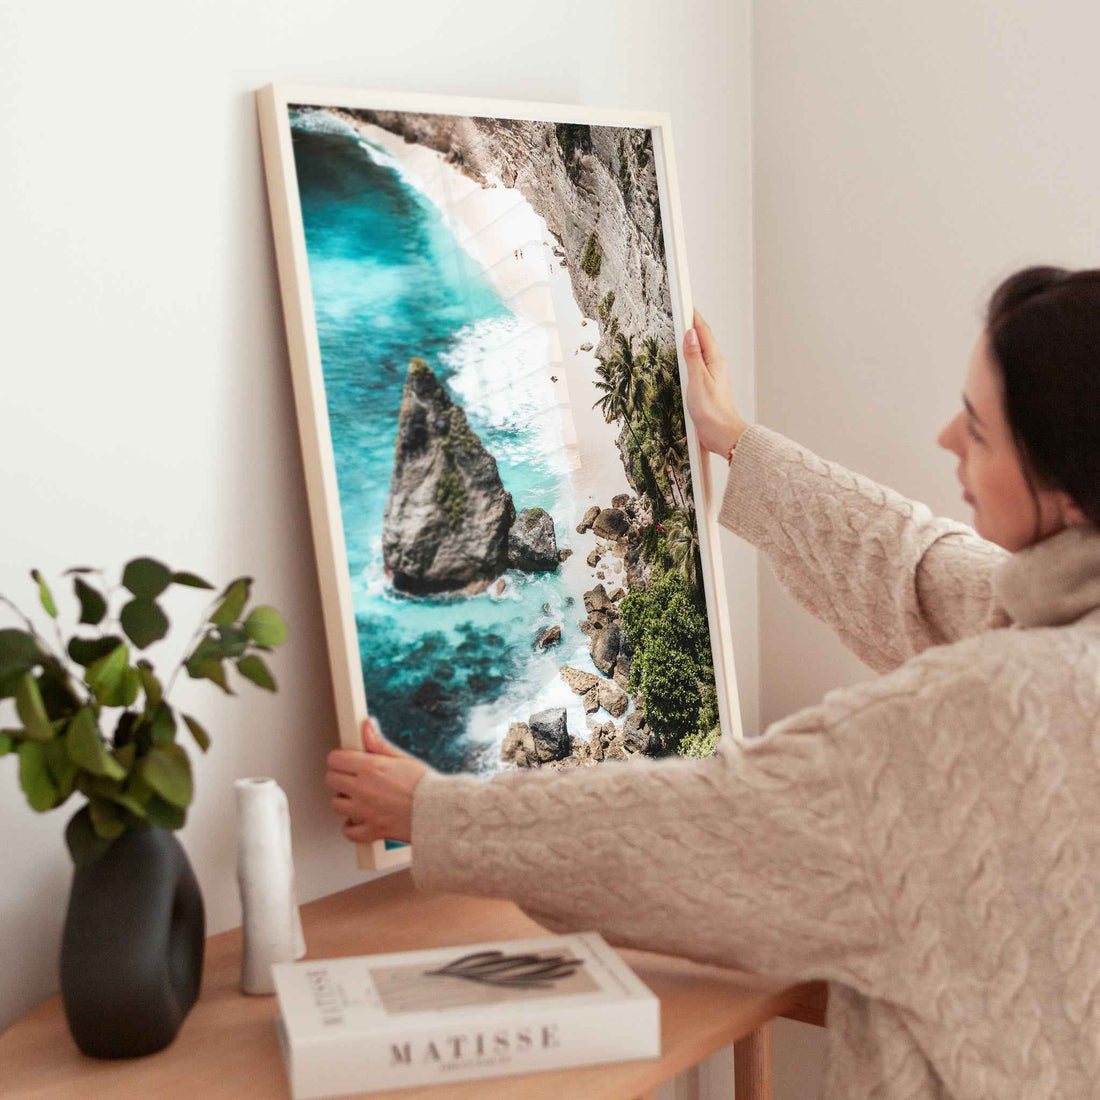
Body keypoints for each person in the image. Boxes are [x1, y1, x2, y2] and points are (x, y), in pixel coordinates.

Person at [326, 266, 1100, 1098]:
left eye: (980, 431)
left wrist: (431, 812)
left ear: (1066, 487)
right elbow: (917, 568)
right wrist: (735, 440)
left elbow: (708, 825)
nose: (947, 438)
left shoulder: (982, 714)